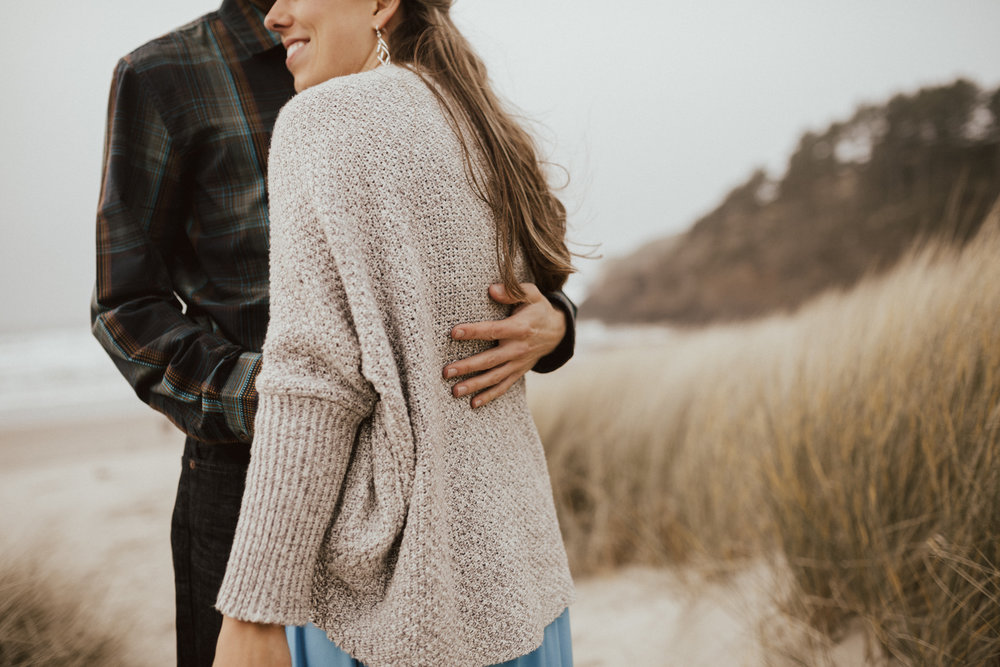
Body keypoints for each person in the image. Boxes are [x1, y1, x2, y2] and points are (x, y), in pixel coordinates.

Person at [90, 0, 577, 664]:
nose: (275, 16)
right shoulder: (166, 75)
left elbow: (482, 288)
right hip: (254, 478)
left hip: (422, 518)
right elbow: (126, 305)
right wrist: (272, 395)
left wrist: (555, 320)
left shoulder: (385, 100)